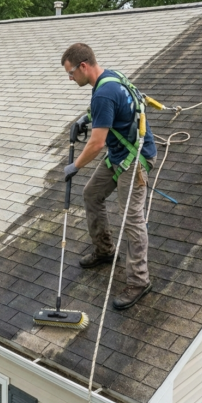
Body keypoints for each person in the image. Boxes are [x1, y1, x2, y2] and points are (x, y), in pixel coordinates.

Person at [61, 43, 157, 310]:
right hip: (119, 154)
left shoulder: (104, 92)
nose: (70, 79)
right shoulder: (108, 78)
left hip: (134, 159)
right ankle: (105, 250)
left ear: (83, 66)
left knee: (131, 217)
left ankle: (139, 281)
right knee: (92, 194)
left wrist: (75, 166)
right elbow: (106, 111)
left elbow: (96, 143)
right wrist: (85, 118)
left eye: (71, 73)